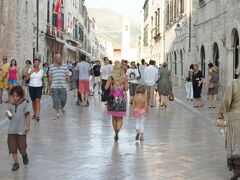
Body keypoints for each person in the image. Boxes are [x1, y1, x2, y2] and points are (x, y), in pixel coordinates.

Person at [217, 67, 240, 179]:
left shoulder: (234, 83)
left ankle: (237, 168)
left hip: (235, 118)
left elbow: (226, 100)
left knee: (234, 142)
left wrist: (221, 113)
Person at [6, 86, 30, 171]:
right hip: (12, 130)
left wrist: (27, 126)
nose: (14, 97)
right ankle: (16, 163)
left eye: (16, 96)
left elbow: (27, 116)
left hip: (21, 129)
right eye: (13, 96)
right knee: (12, 147)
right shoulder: (10, 105)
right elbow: (10, 117)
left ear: (20, 96)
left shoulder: (24, 104)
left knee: (22, 146)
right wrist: (8, 115)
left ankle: (24, 155)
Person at [105, 61, 128, 141]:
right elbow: (126, 88)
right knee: (120, 117)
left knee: (114, 117)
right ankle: (118, 131)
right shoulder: (124, 78)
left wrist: (112, 85)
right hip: (121, 99)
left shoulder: (111, 77)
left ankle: (115, 131)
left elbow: (106, 87)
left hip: (112, 99)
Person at [49, 54, 70, 120]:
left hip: (63, 86)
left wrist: (69, 83)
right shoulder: (51, 67)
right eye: (58, 57)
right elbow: (50, 76)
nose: (60, 59)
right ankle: (57, 113)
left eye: (60, 57)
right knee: (55, 100)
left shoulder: (65, 66)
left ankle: (62, 107)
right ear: (55, 59)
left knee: (64, 99)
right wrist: (50, 85)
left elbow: (67, 75)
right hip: (54, 86)